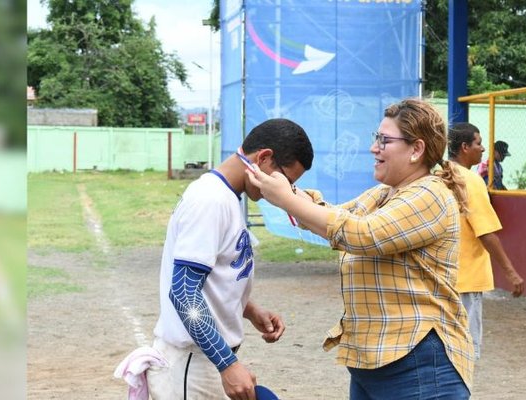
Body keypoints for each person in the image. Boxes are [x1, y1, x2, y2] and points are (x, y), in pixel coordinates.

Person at [245, 98, 475, 399]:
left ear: (416, 150)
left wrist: (286, 198)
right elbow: (332, 217)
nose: (374, 148)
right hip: (376, 363)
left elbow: (363, 234)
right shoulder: (384, 194)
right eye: (375, 138)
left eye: (384, 140)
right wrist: (286, 189)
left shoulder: (429, 194)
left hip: (418, 365)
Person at [147, 118, 314, 400]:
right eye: (286, 179)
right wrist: (228, 364)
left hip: (206, 359)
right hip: (193, 366)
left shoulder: (226, 197)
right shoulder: (210, 200)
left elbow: (211, 278)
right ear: (264, 158)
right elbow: (185, 293)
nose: (285, 190)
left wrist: (248, 309)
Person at [448, 122, 525, 361]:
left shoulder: (438, 175)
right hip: (467, 276)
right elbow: (485, 232)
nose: (483, 149)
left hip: (440, 276)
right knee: (465, 350)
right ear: (464, 147)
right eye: (478, 143)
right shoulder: (470, 181)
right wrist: (511, 272)